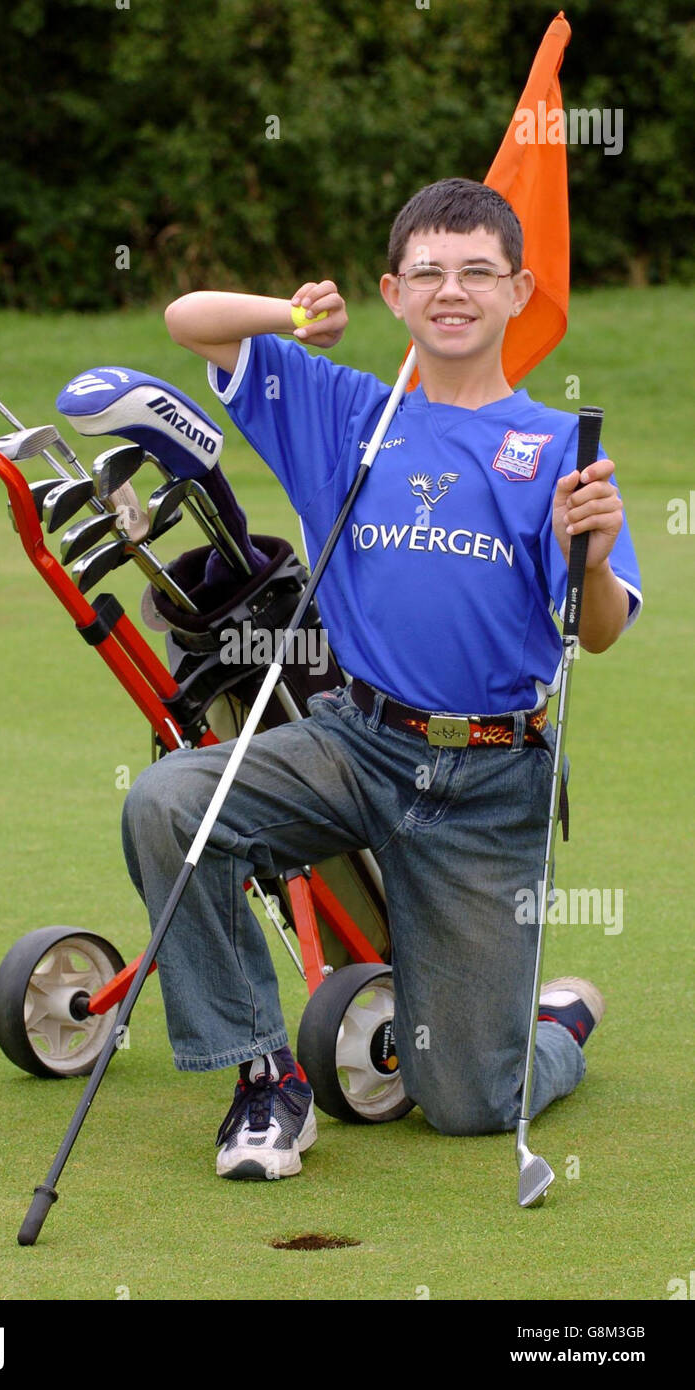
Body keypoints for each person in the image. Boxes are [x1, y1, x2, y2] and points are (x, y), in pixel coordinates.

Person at [122, 178, 642, 1181]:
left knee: (465, 1102)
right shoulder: (340, 407)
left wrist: (590, 550)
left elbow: (603, 631)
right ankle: (263, 1076)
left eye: (476, 273)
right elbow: (188, 321)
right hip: (355, 741)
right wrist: (289, 314)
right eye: (427, 273)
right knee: (167, 801)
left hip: (487, 782)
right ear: (392, 291)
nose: (451, 291)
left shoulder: (555, 455)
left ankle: (555, 1024)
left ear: (518, 290)